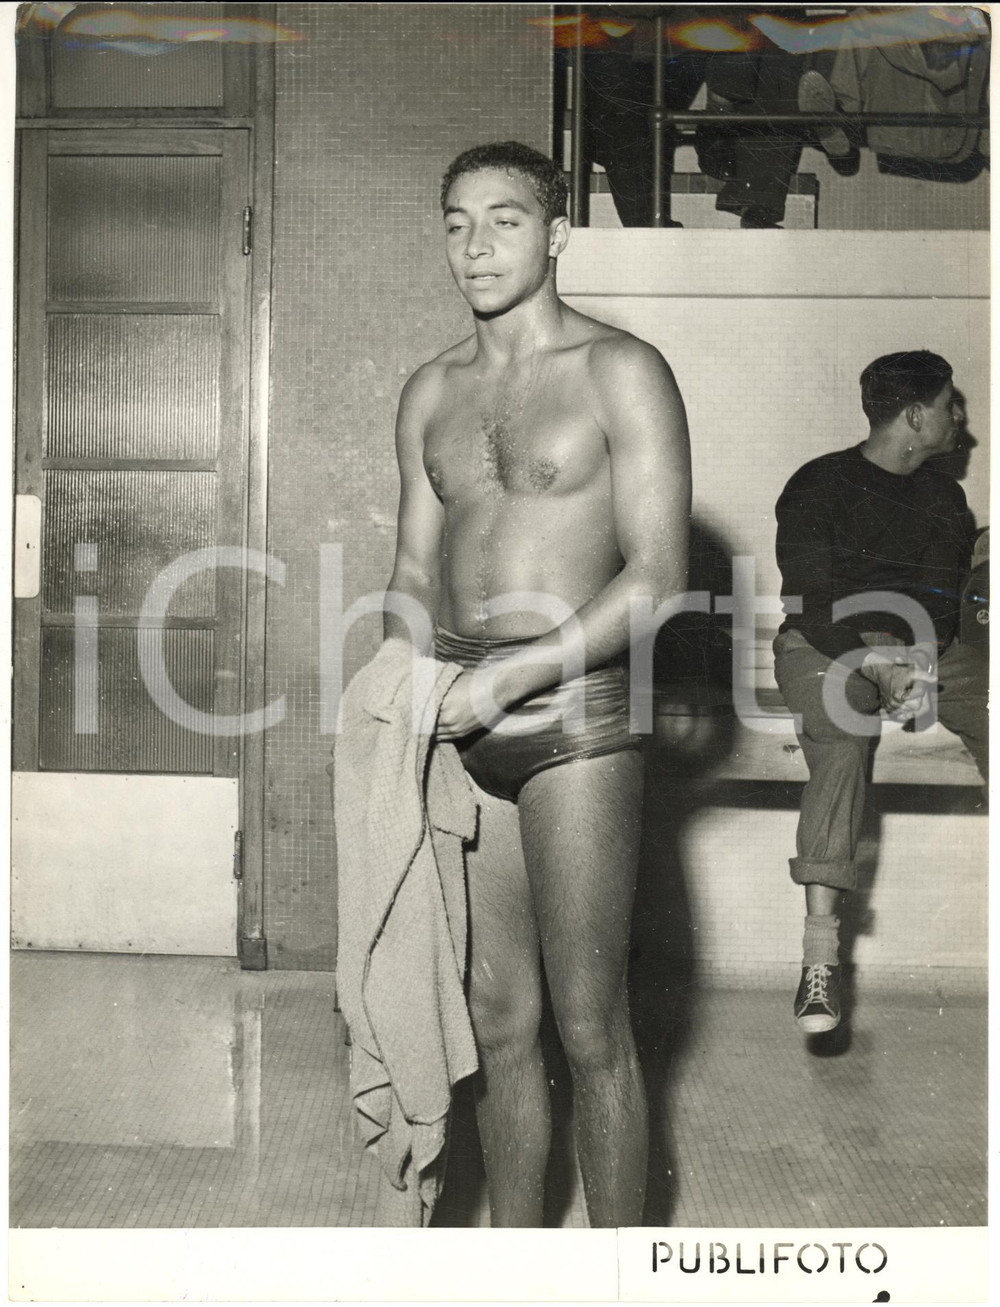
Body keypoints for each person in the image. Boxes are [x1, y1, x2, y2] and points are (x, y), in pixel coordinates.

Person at [383, 140, 691, 1226]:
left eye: (505, 219)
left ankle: (615, 1275)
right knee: (496, 1018)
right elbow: (414, 571)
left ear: (557, 233)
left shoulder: (622, 369)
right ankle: (511, 1269)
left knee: (590, 1025)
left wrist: (512, 676)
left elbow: (658, 575)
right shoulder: (430, 390)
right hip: (456, 714)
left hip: (573, 712)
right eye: (457, 221)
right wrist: (408, 686)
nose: (477, 244)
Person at [773, 350, 988, 1035]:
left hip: (918, 644)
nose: (963, 421)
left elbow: (936, 603)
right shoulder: (818, 484)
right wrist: (880, 667)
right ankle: (819, 960)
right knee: (842, 730)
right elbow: (814, 604)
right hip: (824, 644)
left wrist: (917, 660)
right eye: (952, 403)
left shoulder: (944, 498)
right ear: (915, 416)